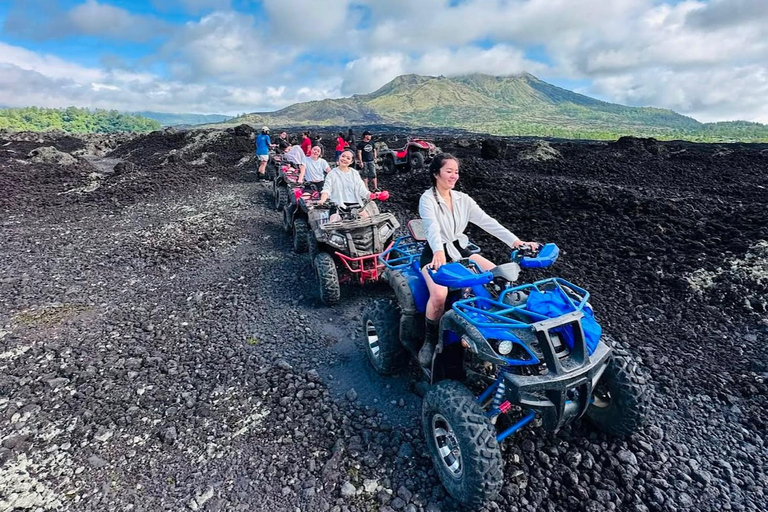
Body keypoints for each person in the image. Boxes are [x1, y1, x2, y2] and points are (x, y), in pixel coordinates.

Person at [417, 153, 538, 366]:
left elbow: (487, 222)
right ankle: (430, 340)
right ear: (436, 173)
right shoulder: (427, 199)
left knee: (499, 276)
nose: (454, 176)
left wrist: (515, 242)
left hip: (459, 250)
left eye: (456, 171)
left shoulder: (463, 200)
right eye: (448, 171)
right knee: (439, 295)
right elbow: (432, 227)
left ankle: (502, 331)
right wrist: (437, 251)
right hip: (434, 254)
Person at [317, 149, 370, 217]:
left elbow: (362, 189)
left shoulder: (355, 173)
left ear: (351, 161)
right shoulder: (332, 174)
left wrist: (370, 195)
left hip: (356, 206)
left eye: (348, 158)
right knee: (334, 222)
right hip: (338, 206)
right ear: (339, 157)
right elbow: (327, 189)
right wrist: (322, 200)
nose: (344, 159)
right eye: (343, 156)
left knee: (368, 221)